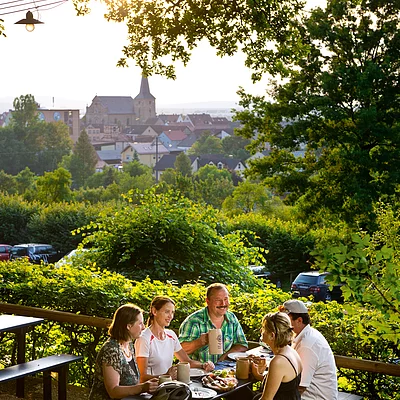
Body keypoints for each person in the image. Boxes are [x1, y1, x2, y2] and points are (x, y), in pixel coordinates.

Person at [135, 296, 215, 381]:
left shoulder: (171, 335)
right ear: (154, 311)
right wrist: (166, 376)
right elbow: (141, 377)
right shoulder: (143, 339)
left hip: (170, 386)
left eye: (172, 312)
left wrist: (204, 365)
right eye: (167, 312)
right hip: (152, 391)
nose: (171, 316)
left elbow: (187, 361)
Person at [89, 304, 159, 400]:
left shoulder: (129, 344)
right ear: (129, 326)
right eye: (140, 323)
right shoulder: (111, 351)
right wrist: (142, 388)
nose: (143, 327)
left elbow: (133, 383)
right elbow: (113, 391)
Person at [280, 300, 338, 400]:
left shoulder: (307, 345)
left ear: (299, 320)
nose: (282, 324)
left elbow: (300, 386)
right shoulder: (303, 335)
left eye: (286, 321)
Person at [179, 283, 248, 363]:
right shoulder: (194, 321)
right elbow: (179, 351)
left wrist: (224, 358)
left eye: (226, 299)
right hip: (199, 372)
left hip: (224, 371)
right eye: (218, 300)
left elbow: (242, 344)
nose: (223, 304)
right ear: (208, 301)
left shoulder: (231, 318)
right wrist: (199, 342)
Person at [251, 312, 302, 400]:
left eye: (264, 328)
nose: (261, 331)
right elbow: (283, 385)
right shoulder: (291, 351)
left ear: (272, 335)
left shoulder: (278, 361)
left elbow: (266, 399)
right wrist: (259, 376)